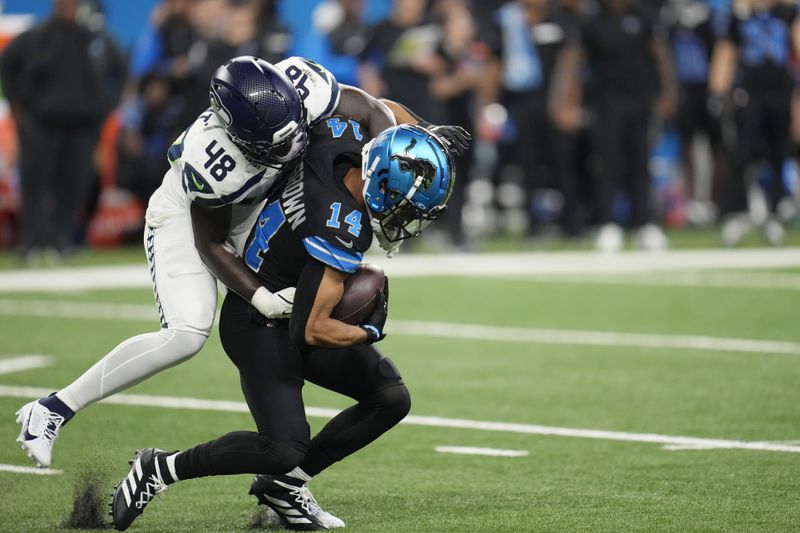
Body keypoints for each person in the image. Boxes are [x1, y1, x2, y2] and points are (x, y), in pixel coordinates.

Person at [14, 55, 423, 469]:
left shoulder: (304, 87)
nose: (295, 144)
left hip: (260, 202)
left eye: (298, 129)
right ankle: (53, 408)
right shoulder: (214, 164)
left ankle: (287, 476)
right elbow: (210, 243)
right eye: (279, 144)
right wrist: (261, 298)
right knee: (187, 333)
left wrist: (390, 156)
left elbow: (372, 109)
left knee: (312, 276)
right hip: (190, 217)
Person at [109, 122, 459, 531]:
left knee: (390, 397)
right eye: (403, 207)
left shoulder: (339, 137)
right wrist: (370, 332)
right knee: (282, 446)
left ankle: (285, 487)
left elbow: (371, 108)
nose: (406, 220)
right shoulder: (341, 228)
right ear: (380, 184)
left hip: (290, 300)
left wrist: (423, 134)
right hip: (259, 323)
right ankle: (160, 468)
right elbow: (312, 331)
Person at [0, 0, 125, 262]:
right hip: (40, 123)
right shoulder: (37, 36)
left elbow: (120, 69)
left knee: (72, 185)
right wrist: (16, 106)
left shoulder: (93, 39)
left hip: (81, 125)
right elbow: (7, 63)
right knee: (34, 184)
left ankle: (61, 239)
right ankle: (30, 241)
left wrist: (103, 109)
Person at [551, 0, 676, 251]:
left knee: (641, 161)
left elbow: (660, 54)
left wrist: (668, 92)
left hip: (640, 100)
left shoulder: (644, 15)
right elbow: (573, 60)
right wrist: (562, 100)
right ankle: (608, 223)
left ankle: (644, 223)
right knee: (607, 162)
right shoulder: (591, 19)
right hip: (605, 102)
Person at [710, 0, 800, 246]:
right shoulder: (738, 14)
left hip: (780, 91)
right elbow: (725, 51)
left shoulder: (786, 12)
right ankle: (736, 213)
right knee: (742, 154)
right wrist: (717, 93)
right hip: (748, 93)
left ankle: (774, 214)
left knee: (778, 154)